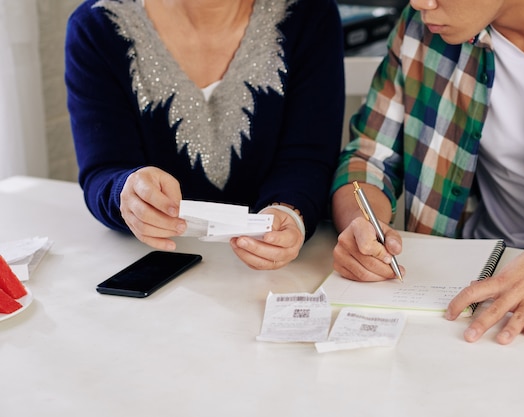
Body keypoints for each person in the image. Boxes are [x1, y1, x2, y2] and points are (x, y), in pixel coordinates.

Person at [331, 0, 524, 344]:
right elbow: (367, 157)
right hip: (467, 293)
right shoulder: (422, 26)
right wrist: (362, 224)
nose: (419, 2)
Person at [65, 0, 345, 270]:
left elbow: (308, 156)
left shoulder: (310, 13)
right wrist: (127, 193)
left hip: (281, 271)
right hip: (151, 263)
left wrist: (288, 211)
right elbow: (103, 169)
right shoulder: (96, 27)